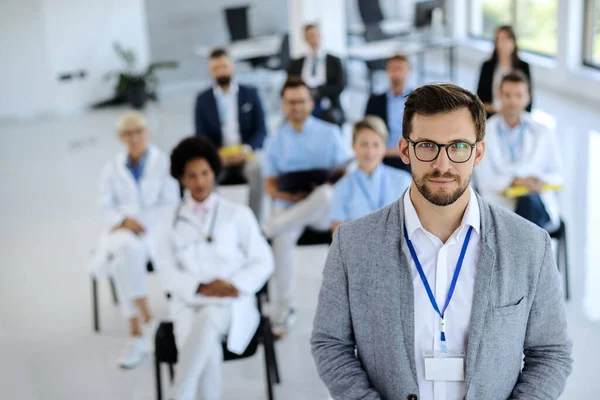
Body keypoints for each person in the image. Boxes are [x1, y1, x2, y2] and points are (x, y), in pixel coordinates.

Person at [311, 83, 572, 399]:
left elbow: (551, 352)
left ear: (478, 152)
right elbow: (330, 343)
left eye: (458, 146)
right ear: (405, 150)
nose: (443, 164)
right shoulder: (352, 245)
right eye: (427, 146)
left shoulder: (531, 246)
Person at [153, 136, 273, 400]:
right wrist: (201, 287)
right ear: (182, 179)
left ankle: (178, 395)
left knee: (207, 321)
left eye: (205, 173)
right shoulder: (167, 223)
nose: (199, 182)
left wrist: (233, 285)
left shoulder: (238, 214)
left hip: (232, 302)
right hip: (188, 302)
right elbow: (166, 271)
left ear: (214, 173)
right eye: (191, 176)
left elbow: (264, 260)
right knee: (205, 350)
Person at [88, 111, 180, 369]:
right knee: (123, 247)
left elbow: (171, 201)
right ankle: (147, 319)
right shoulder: (112, 167)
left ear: (146, 133)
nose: (134, 138)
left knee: (121, 261)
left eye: (138, 131)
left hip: (156, 229)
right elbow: (104, 205)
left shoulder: (162, 162)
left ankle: (137, 331)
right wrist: (124, 221)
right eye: (128, 133)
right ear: (121, 137)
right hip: (124, 229)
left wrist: (145, 222)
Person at [262, 78, 352, 337]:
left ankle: (269, 226)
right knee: (282, 238)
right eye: (290, 102)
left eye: (301, 101)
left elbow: (345, 174)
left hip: (322, 209)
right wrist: (287, 195)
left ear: (311, 103)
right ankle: (285, 307)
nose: (296, 107)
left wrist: (321, 186)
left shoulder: (330, 132)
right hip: (292, 209)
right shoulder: (275, 139)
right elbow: (270, 184)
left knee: (324, 193)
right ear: (283, 105)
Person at [475, 71, 563, 231]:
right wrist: (515, 182)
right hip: (500, 205)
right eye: (507, 95)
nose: (513, 101)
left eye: (518, 95)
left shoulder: (543, 132)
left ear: (528, 97)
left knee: (528, 204)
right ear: (498, 96)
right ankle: (533, 253)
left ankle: (525, 252)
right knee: (523, 219)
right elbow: (483, 181)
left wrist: (538, 181)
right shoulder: (484, 133)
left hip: (537, 205)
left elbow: (557, 176)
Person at [194, 48, 267, 221]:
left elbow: (262, 130)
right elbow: (200, 134)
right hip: (218, 155)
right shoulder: (203, 100)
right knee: (203, 175)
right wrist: (216, 154)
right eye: (216, 68)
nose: (221, 71)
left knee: (256, 169)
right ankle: (212, 221)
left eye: (224, 66)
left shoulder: (250, 93)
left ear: (232, 66)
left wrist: (247, 149)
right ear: (210, 71)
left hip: (245, 152)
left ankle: (253, 221)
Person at [330, 116, 411, 232]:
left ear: (384, 147)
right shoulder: (341, 187)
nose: (369, 152)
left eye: (376, 145)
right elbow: (338, 235)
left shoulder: (403, 180)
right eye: (363, 144)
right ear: (353, 146)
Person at [287, 23, 346, 126]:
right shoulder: (296, 63)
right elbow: (289, 85)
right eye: (309, 36)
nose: (313, 39)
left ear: (320, 36)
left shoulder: (334, 61)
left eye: (314, 35)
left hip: (327, 104)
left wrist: (318, 92)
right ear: (305, 39)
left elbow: (341, 85)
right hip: (303, 104)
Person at [365, 53, 413, 172]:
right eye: (393, 69)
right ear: (387, 71)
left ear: (408, 71)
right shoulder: (375, 101)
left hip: (412, 157)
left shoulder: (419, 100)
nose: (397, 74)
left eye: (400, 69)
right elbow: (367, 130)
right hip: (383, 157)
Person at [476, 25, 532, 118]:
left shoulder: (523, 67)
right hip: (492, 115)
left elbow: (529, 100)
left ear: (513, 42)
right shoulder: (487, 66)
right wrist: (495, 110)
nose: (502, 44)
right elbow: (479, 100)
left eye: (506, 39)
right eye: (499, 39)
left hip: (517, 116)